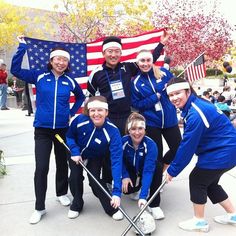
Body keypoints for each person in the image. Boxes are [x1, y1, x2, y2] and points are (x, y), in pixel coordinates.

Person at [10, 35, 85, 224]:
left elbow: (80, 97)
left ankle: (61, 193)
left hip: (63, 130)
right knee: (41, 167)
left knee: (62, 164)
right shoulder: (39, 76)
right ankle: (39, 207)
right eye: (57, 59)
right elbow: (15, 69)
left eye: (64, 60)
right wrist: (22, 47)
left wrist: (71, 112)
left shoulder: (70, 80)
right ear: (51, 61)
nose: (61, 62)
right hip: (42, 130)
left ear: (67, 63)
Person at [87, 31, 169, 188]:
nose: (113, 54)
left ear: (121, 53)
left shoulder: (127, 68)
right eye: (110, 51)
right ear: (104, 53)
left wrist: (161, 45)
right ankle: (109, 180)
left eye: (117, 51)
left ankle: (132, 180)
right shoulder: (96, 73)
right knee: (109, 150)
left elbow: (148, 61)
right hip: (108, 119)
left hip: (127, 117)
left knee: (129, 149)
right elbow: (89, 97)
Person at [166, 77, 236, 232]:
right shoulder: (194, 105)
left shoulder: (196, 113)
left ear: (188, 91)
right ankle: (233, 215)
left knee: (197, 179)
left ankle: (199, 221)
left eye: (178, 93)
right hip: (224, 150)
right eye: (171, 95)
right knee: (210, 183)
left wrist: (172, 170)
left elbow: (187, 147)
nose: (174, 98)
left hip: (222, 152)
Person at [131, 50, 182, 218]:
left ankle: (160, 174)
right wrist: (156, 96)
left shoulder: (164, 72)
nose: (145, 63)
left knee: (178, 148)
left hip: (169, 120)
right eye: (142, 61)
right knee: (155, 159)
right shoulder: (136, 82)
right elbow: (136, 104)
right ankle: (154, 203)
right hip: (151, 123)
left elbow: (177, 89)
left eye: (148, 60)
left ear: (152, 60)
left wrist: (170, 91)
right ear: (137, 63)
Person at [66, 96, 123, 220]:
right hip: (76, 154)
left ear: (106, 112)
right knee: (75, 178)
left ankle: (111, 207)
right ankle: (77, 204)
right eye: (92, 110)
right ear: (88, 111)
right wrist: (75, 151)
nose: (96, 114)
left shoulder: (113, 132)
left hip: (94, 157)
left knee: (95, 181)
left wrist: (117, 192)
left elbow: (117, 161)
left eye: (100, 110)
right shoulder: (80, 120)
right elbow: (69, 136)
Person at [122, 112, 164, 219]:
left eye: (140, 128)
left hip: (145, 169)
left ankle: (154, 204)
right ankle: (138, 187)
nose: (137, 132)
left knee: (158, 167)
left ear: (145, 130)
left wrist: (143, 197)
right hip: (131, 171)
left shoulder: (151, 144)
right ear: (128, 130)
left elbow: (148, 170)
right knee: (128, 191)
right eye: (133, 128)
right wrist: (125, 176)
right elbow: (119, 162)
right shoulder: (122, 142)